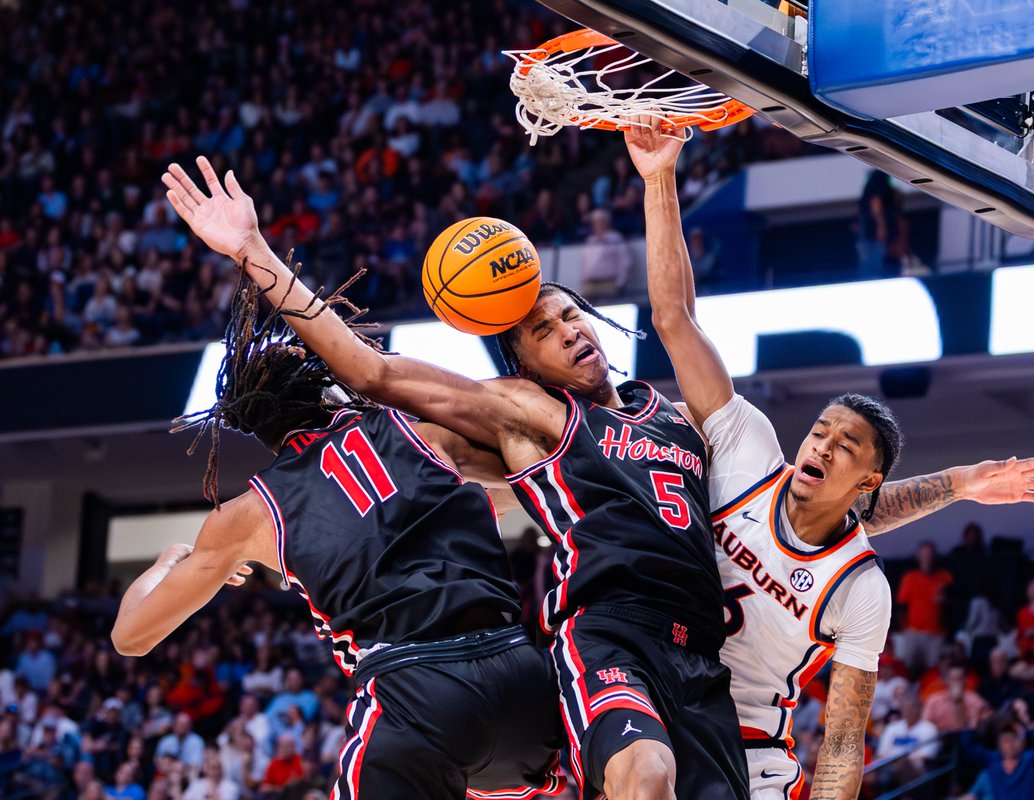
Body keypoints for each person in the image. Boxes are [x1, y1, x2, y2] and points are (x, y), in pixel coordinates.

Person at [163, 156, 747, 800]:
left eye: (569, 315)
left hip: (702, 648)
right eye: (541, 332)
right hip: (609, 632)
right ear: (527, 370)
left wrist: (658, 176)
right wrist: (251, 250)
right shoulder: (535, 415)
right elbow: (371, 372)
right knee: (645, 778)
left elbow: (677, 316)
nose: (567, 331)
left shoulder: (678, 417)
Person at [624, 118, 1034, 800]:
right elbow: (674, 321)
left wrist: (955, 483)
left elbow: (841, 737)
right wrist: (660, 178)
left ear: (867, 479)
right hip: (651, 694)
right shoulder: (749, 448)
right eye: (819, 431)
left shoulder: (862, 589)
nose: (821, 445)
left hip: (744, 746)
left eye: (844, 444)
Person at [110, 273, 563, 799]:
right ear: (329, 387)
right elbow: (526, 485)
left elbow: (131, 636)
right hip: (525, 682)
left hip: (418, 690)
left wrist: (169, 560)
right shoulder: (418, 428)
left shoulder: (252, 513)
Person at [897, 542, 955, 677]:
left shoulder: (944, 577)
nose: (927, 559)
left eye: (930, 555)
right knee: (909, 668)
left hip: (936, 634)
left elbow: (954, 604)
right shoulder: (910, 578)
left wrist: (945, 600)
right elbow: (901, 606)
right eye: (924, 555)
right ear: (918, 557)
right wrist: (904, 630)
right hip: (913, 632)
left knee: (933, 671)